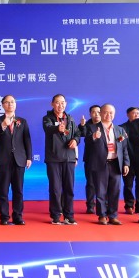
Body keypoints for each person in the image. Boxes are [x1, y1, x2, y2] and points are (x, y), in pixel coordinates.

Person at [42, 94, 86, 225]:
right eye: (57, 102)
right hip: (53, 158)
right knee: (55, 189)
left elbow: (78, 133)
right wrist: (57, 128)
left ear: (66, 104)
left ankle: (69, 216)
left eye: (62, 102)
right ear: (52, 104)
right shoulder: (47, 118)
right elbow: (47, 129)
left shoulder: (70, 119)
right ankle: (56, 215)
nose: (60, 105)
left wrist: (75, 140)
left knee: (69, 188)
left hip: (69, 157)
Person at [84, 104, 130, 225]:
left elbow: (124, 148)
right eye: (106, 112)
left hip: (115, 163)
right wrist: (94, 137)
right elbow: (87, 142)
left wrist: (126, 163)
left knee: (115, 191)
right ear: (101, 113)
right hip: (100, 164)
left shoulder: (119, 130)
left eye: (111, 113)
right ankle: (102, 215)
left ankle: (113, 215)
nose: (108, 115)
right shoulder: (92, 128)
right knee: (101, 191)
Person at [0, 95, 32, 225]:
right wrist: (4, 124)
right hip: (3, 159)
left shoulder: (22, 121)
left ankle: (18, 216)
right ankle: (4, 217)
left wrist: (29, 157)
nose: (10, 104)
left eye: (12, 102)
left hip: (19, 159)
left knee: (18, 190)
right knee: (3, 190)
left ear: (16, 104)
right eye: (7, 102)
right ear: (3, 105)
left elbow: (27, 140)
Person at [120, 106, 139, 214]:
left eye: (138, 113)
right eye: (134, 113)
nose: (136, 115)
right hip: (128, 161)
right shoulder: (121, 128)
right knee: (128, 185)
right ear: (128, 115)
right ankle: (129, 205)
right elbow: (118, 143)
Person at [82, 105, 101, 215]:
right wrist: (83, 125)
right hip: (90, 158)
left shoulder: (106, 124)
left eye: (98, 112)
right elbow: (83, 134)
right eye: (94, 112)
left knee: (103, 184)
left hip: (104, 159)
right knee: (90, 183)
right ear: (90, 114)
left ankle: (103, 205)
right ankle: (90, 206)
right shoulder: (86, 125)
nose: (96, 114)